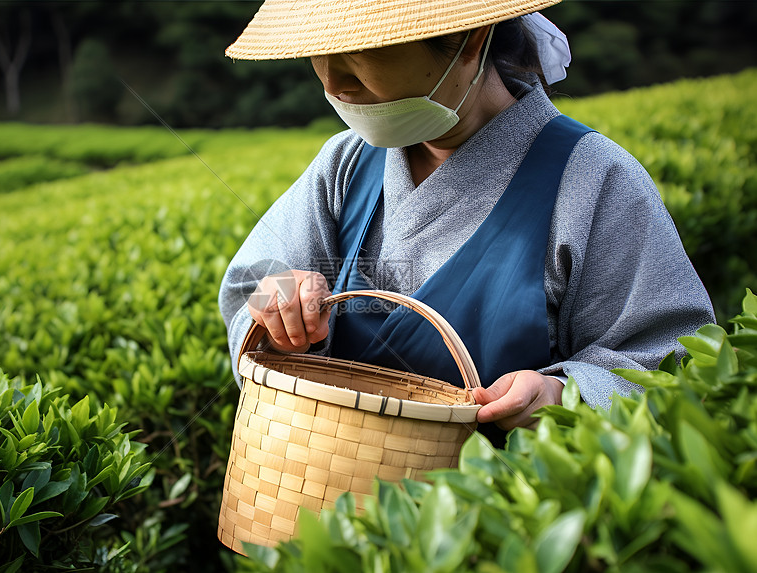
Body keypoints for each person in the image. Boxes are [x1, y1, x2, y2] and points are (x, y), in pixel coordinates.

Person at [217, 0, 715, 443]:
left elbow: (672, 361)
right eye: (319, 55)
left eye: (361, 52)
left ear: (470, 40)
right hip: (329, 503)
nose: (333, 83)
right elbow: (252, 287)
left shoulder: (594, 179)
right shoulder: (346, 164)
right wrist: (276, 306)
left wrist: (565, 394)